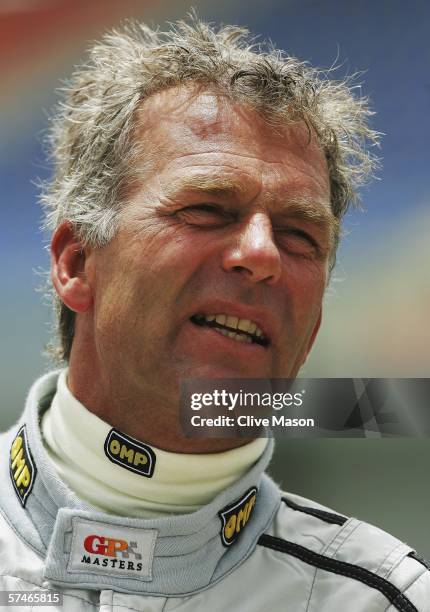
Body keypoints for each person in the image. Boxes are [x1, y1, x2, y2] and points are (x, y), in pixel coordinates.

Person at [0, 16, 428, 611]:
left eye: (300, 235)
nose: (262, 255)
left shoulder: (383, 601)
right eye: (207, 208)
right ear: (76, 263)